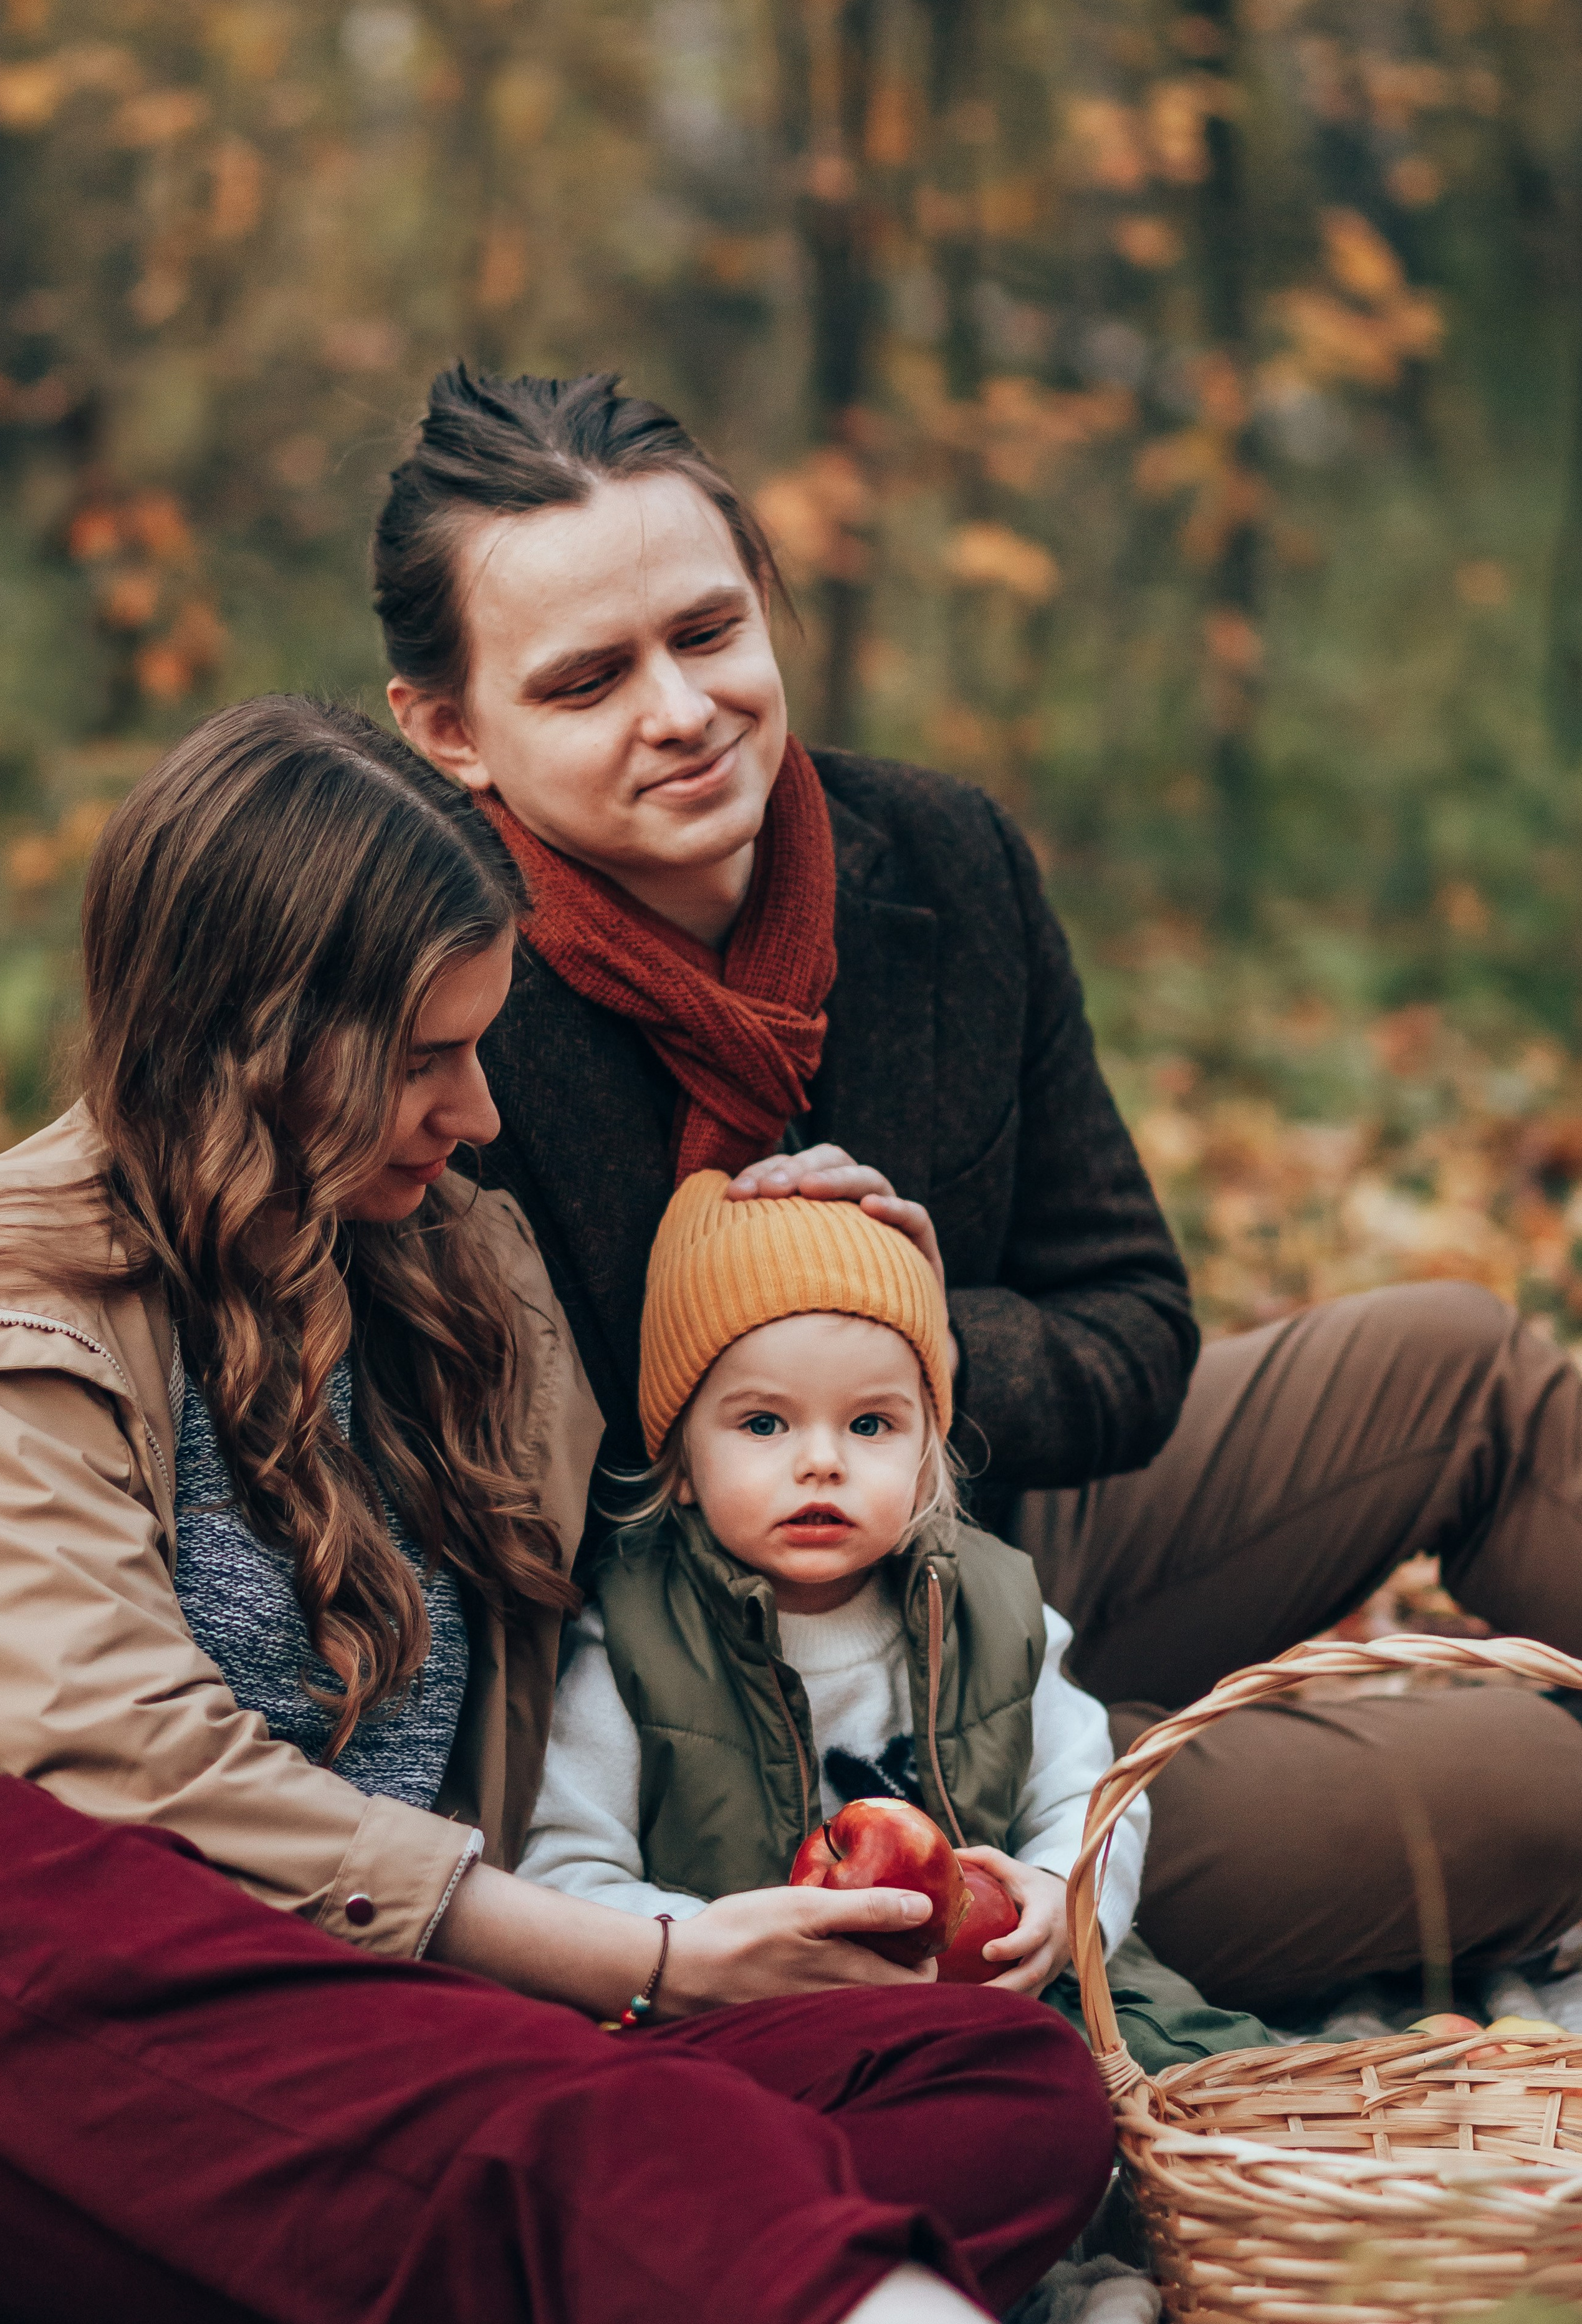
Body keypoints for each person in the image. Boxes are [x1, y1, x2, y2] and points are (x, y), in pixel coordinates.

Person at [378, 364, 1582, 2017]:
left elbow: (1134, 1326)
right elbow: (460, 1543)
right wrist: (756, 1345)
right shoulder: (433, 1001)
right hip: (751, 1725)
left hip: (996, 1531)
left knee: (1461, 1365)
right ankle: (1119, 1815)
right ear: (449, 731)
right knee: (1537, 1780)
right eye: (588, 680)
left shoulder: (940, 859)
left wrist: (918, 1329)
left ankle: (1128, 1742)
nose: (681, 709)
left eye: (708, 632)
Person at [0, 696, 1114, 2324]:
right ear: (248, 1040)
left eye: (479, 1046)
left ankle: (597, 2239)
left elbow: (688, 1525)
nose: (479, 1116)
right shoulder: (25, 1310)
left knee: (1002, 2083)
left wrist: (851, 1301)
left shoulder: (455, 1260)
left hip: (481, 2030)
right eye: (423, 1061)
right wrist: (648, 1967)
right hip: (166, 2038)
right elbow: (130, 1759)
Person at [520, 1165, 1148, 1982]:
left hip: (991, 1992)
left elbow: (1090, 1799)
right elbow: (566, 1871)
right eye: (764, 1423)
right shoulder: (634, 1644)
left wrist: (1066, 1900)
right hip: (733, 2016)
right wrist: (718, 1948)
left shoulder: (995, 1614)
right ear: (681, 1463)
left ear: (927, 1458)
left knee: (1183, 2042)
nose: (822, 1461)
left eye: (871, 1424)